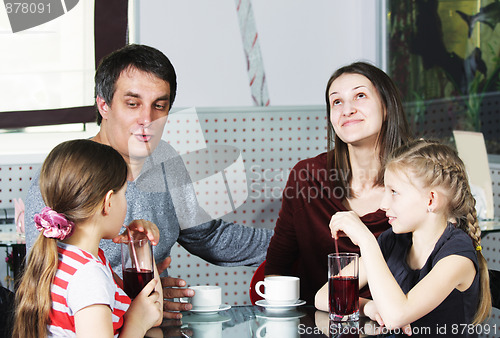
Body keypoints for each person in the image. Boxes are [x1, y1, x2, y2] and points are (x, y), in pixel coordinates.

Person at [24, 44, 273, 318]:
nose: (147, 119)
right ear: (103, 105)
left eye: (159, 106)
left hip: (154, 325)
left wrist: (299, 239)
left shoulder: (166, 160)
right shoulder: (64, 173)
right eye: (133, 104)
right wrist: (134, 304)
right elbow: (45, 281)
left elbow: (208, 236)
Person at [265, 61, 413, 304]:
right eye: (337, 102)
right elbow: (276, 268)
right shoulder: (307, 177)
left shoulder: (419, 181)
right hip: (316, 325)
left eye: (360, 96)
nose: (347, 110)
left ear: (387, 107)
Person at [316, 139, 491, 337]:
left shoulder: (458, 256)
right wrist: (370, 307)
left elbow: (396, 316)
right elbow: (324, 296)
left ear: (431, 200)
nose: (383, 204)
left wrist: (366, 240)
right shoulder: (393, 241)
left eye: (394, 192)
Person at [13, 139, 163, 338]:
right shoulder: (88, 277)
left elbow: (151, 312)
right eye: (124, 194)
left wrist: (139, 245)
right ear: (108, 202)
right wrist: (135, 325)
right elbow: (142, 318)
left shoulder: (68, 257)